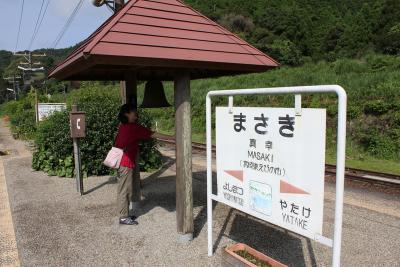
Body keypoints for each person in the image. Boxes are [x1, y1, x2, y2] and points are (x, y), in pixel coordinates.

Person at [114, 104, 165, 225]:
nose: (136, 114)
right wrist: (174, 136)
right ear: (127, 114)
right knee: (124, 190)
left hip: (121, 161)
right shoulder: (133, 127)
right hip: (125, 162)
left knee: (124, 189)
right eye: (133, 112)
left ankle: (124, 214)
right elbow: (152, 134)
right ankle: (123, 217)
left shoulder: (123, 126)